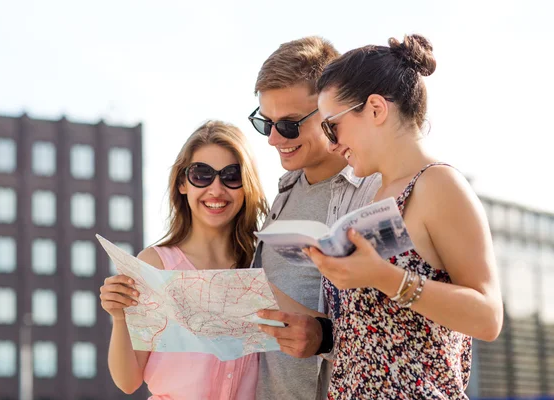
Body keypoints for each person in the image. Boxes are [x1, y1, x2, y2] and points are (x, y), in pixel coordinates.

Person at [303, 33, 503, 399]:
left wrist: (383, 276)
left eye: (332, 126)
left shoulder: (439, 185)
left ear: (376, 108)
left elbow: (488, 318)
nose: (331, 144)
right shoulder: (377, 196)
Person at [249, 37, 381, 400]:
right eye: (266, 123)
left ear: (330, 110)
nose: (274, 139)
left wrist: (326, 336)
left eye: (290, 125)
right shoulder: (284, 192)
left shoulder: (376, 193)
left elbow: (399, 329)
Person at [100, 121, 268, 399]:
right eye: (202, 174)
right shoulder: (156, 265)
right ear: (182, 183)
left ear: (246, 184)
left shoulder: (261, 263)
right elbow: (127, 381)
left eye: (231, 175)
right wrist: (119, 317)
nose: (216, 189)